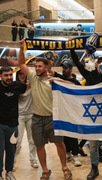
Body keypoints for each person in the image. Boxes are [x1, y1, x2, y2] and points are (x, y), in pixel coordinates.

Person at [18, 39, 72, 180]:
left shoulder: (52, 81)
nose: (37, 69)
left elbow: (71, 85)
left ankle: (64, 167)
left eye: (40, 66)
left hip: (52, 118)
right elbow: (21, 64)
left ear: (47, 67)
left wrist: (58, 80)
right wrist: (21, 48)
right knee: (39, 146)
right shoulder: (33, 78)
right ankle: (45, 170)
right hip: (36, 118)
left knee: (59, 143)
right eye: (36, 66)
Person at [70, 49, 102, 180]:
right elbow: (77, 63)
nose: (101, 65)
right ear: (96, 64)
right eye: (99, 62)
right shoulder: (89, 75)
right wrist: (72, 47)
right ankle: (94, 168)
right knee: (93, 146)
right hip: (93, 117)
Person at [49, 60, 83, 167]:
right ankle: (68, 153)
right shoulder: (61, 78)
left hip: (73, 113)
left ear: (70, 69)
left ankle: (75, 155)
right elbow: (50, 70)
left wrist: (56, 80)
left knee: (73, 135)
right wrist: (50, 59)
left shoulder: (75, 82)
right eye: (63, 68)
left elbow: (72, 85)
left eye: (66, 68)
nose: (64, 70)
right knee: (64, 134)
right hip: (63, 112)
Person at [0, 66, 26, 180]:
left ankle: (9, 172)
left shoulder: (17, 86)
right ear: (1, 76)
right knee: (0, 151)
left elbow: (32, 85)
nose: (9, 77)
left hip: (13, 126)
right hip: (0, 125)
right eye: (6, 75)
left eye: (10, 74)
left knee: (11, 151)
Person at [14, 70, 38, 169]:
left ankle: (33, 160)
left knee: (32, 140)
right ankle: (12, 162)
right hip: (19, 116)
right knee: (17, 141)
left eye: (24, 74)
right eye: (20, 74)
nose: (22, 75)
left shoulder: (32, 85)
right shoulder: (14, 86)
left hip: (30, 115)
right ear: (17, 75)